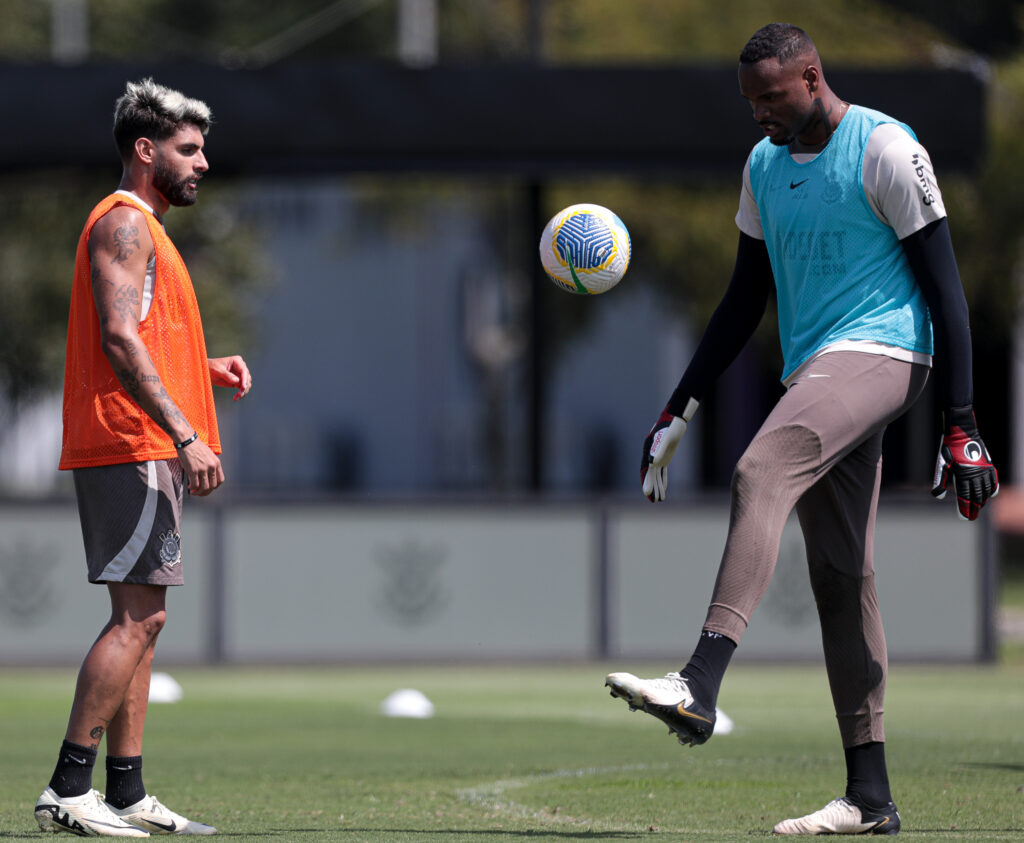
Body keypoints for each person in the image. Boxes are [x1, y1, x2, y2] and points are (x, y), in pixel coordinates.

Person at [605, 22, 998, 837]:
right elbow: (743, 297)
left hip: (890, 350)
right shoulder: (764, 167)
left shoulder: (887, 149)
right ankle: (871, 797)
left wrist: (961, 423)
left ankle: (700, 681)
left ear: (813, 77)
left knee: (760, 469)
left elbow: (948, 293)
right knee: (839, 578)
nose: (760, 116)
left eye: (772, 98)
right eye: (749, 103)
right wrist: (681, 403)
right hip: (818, 368)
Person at [34, 78, 252, 837]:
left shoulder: (151, 231)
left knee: (145, 620)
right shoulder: (124, 225)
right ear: (146, 149)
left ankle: (125, 791)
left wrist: (205, 362)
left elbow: (146, 333)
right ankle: (69, 784)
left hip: (146, 441)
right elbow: (119, 340)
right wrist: (186, 432)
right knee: (138, 616)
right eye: (190, 149)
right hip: (135, 442)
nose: (203, 162)